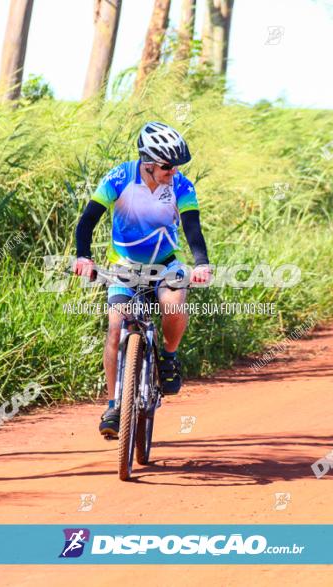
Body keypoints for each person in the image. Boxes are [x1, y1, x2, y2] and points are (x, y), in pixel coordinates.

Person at [73, 122, 211, 438]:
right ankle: (113, 405)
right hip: (124, 265)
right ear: (147, 161)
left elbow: (193, 229)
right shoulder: (119, 177)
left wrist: (201, 263)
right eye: (166, 165)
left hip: (165, 263)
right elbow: (87, 221)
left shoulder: (181, 186)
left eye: (176, 166)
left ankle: (169, 357)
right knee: (114, 328)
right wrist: (83, 256)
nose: (172, 171)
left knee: (174, 303)